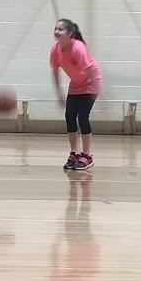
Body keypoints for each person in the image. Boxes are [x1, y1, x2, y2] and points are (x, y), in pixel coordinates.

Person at [49, 19, 101, 171]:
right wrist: (59, 93)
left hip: (91, 81)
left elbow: (90, 70)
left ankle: (87, 156)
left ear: (69, 33)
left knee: (83, 116)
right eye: (55, 29)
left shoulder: (78, 48)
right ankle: (74, 153)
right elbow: (55, 72)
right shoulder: (55, 49)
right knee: (69, 116)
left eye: (60, 29)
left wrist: (98, 92)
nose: (56, 32)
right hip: (76, 83)